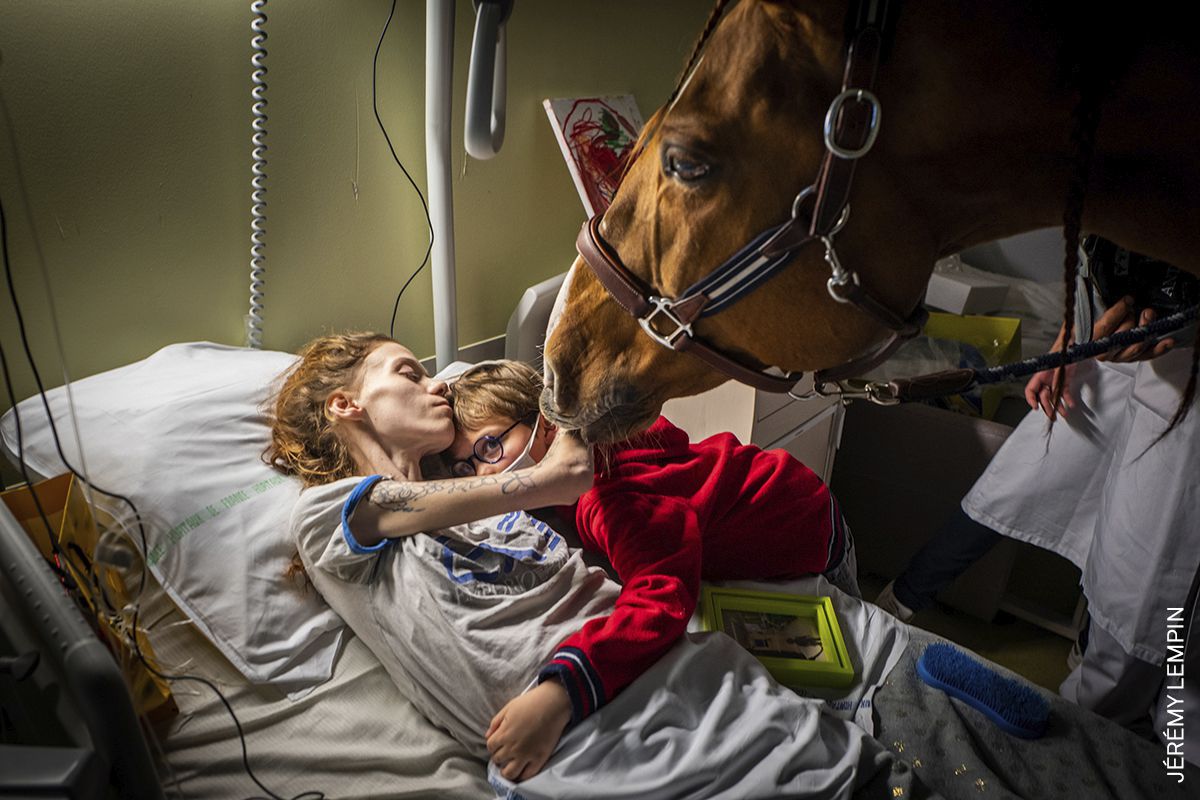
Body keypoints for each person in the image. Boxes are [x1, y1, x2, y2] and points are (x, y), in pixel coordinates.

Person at [266, 332, 922, 796]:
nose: (435, 381)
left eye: (491, 447)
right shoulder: (327, 516)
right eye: (408, 372)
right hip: (616, 726)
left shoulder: (539, 501)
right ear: (347, 405)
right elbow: (545, 487)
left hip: (790, 541)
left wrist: (560, 440)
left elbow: (614, 525)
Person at [875, 237, 1200, 761]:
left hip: (1182, 393)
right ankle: (901, 600)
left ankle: (1145, 749)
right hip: (1111, 361)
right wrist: (1068, 343)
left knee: (1143, 593)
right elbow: (1092, 264)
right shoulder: (1109, 190)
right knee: (1011, 487)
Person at [444, 360, 860, 769]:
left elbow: (662, 595)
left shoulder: (610, 497)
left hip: (807, 524)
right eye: (468, 466)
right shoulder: (597, 447)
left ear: (546, 426)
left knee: (849, 654)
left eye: (489, 447)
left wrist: (563, 692)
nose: (483, 473)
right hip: (776, 489)